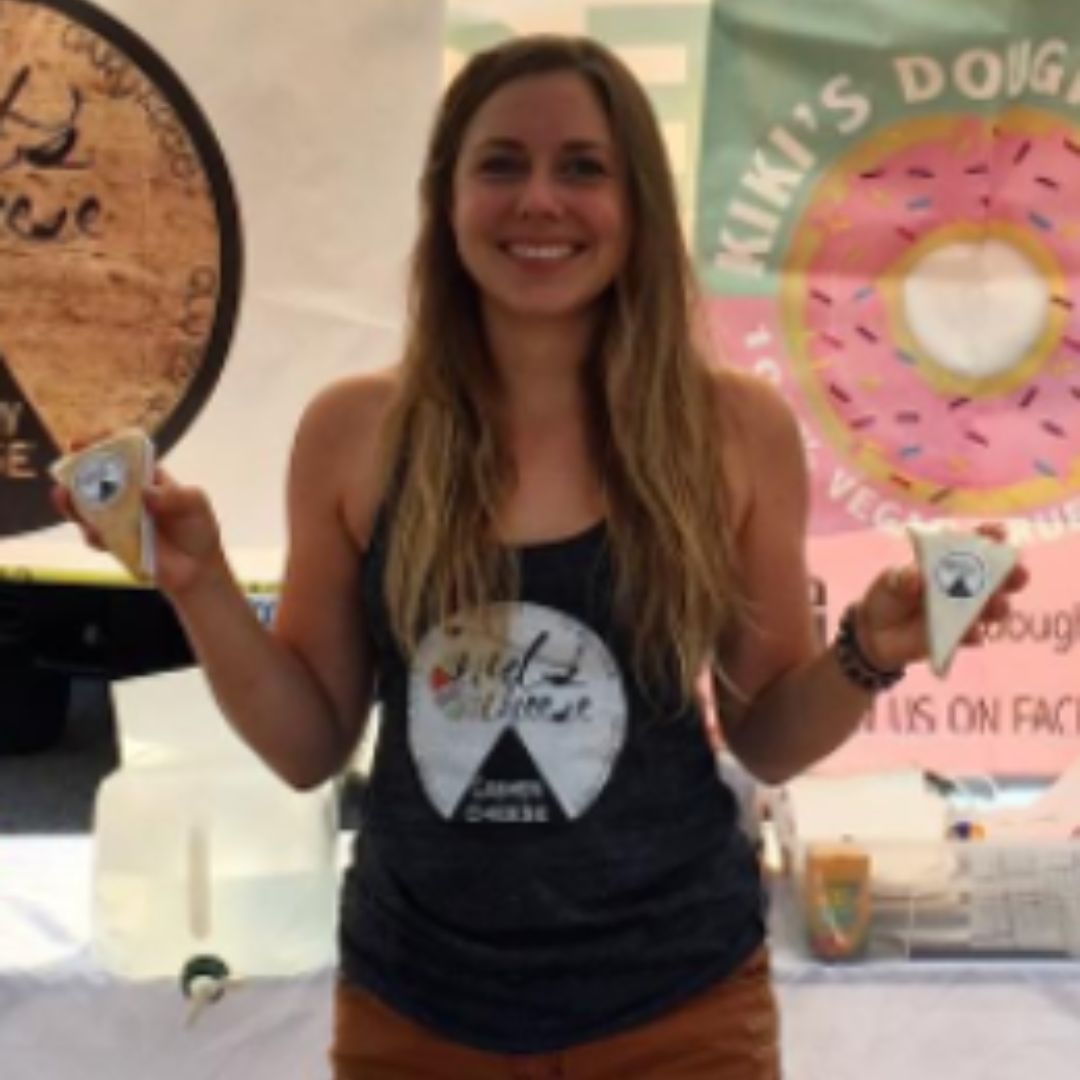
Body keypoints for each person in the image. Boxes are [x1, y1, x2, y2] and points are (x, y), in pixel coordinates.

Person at [56, 33, 1027, 1080]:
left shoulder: (731, 432)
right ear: (447, 198)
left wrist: (870, 651)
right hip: (417, 1014)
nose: (539, 201)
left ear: (636, 203)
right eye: (502, 164)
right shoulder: (355, 434)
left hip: (680, 1013)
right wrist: (197, 584)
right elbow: (306, 747)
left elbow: (770, 741)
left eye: (583, 168)